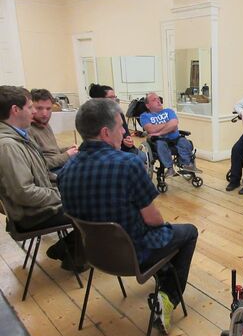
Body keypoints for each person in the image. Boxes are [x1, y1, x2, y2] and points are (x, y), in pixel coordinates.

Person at [58, 98, 198, 334]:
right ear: (105, 132)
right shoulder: (128, 164)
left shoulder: (65, 172)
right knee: (188, 232)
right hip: (136, 255)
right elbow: (154, 220)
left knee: (161, 235)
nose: (124, 130)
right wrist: (163, 227)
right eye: (120, 125)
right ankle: (168, 296)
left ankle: (163, 275)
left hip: (94, 255)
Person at [0, 86, 82, 269]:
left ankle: (66, 249)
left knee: (89, 199)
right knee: (95, 208)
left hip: (36, 207)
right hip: (33, 214)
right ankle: (74, 256)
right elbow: (25, 193)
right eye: (30, 107)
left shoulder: (17, 138)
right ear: (15, 110)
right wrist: (62, 196)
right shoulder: (8, 146)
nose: (35, 112)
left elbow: (39, 173)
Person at [140, 92, 197, 177]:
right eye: (154, 100)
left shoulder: (169, 111)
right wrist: (168, 125)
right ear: (148, 105)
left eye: (159, 99)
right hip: (159, 141)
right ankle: (170, 168)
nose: (158, 101)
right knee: (160, 144)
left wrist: (159, 132)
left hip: (175, 139)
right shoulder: (144, 116)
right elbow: (151, 129)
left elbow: (174, 124)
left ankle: (187, 165)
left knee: (184, 142)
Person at [28, 89, 78, 174]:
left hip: (58, 165)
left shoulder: (45, 124)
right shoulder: (28, 130)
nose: (44, 113)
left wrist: (68, 149)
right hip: (49, 173)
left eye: (48, 108)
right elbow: (39, 164)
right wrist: (67, 155)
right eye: (39, 108)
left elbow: (52, 151)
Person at [88, 83, 143, 156]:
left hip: (124, 148)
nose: (114, 100)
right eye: (111, 97)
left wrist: (127, 139)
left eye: (115, 97)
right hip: (107, 152)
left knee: (143, 157)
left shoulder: (119, 113)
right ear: (101, 100)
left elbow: (125, 132)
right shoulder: (94, 118)